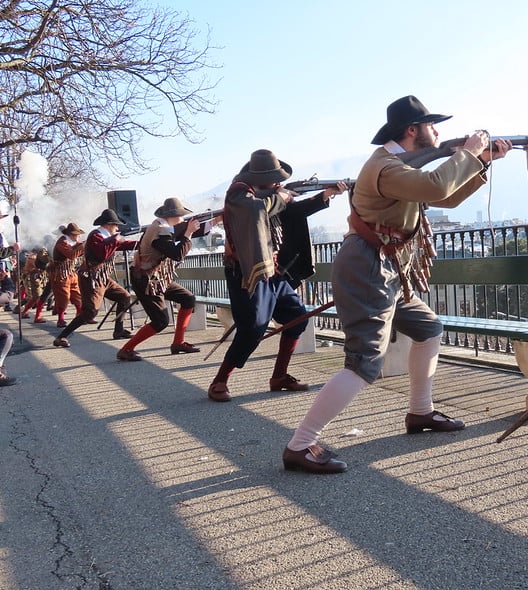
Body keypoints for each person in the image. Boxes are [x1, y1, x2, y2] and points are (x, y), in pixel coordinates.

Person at [282, 95, 512, 474]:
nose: (437, 133)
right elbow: (438, 187)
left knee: (428, 328)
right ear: (412, 130)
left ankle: (420, 412)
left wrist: (481, 160)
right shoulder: (386, 167)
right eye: (432, 126)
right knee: (364, 362)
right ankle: (300, 444)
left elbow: (446, 197)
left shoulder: (393, 164)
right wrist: (470, 153)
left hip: (384, 265)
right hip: (370, 265)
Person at [206, 150, 348, 402]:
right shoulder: (238, 192)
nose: (278, 183)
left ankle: (280, 376)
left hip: (271, 269)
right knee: (253, 328)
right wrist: (280, 197)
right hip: (246, 271)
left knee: (297, 316)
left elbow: (290, 212)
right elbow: (256, 211)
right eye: (274, 179)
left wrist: (324, 196)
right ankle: (220, 381)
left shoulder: (268, 195)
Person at [116, 197, 202, 361]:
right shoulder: (160, 230)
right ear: (174, 215)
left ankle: (178, 342)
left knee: (188, 299)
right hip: (147, 280)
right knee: (160, 321)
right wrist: (189, 233)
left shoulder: (161, 226)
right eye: (181, 215)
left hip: (156, 278)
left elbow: (173, 242)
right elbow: (177, 254)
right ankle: (126, 349)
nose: (183, 218)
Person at [53, 208, 137, 348]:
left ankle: (119, 330)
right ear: (109, 224)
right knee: (90, 312)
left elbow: (123, 245)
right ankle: (61, 337)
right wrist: (116, 240)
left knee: (124, 296)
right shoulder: (95, 236)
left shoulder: (106, 237)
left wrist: (144, 243)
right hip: (91, 278)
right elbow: (102, 254)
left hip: (101, 277)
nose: (117, 228)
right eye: (116, 225)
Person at [49, 222, 85, 328]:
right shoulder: (62, 242)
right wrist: (82, 246)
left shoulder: (71, 243)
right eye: (76, 234)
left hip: (70, 272)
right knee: (63, 297)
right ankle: (60, 319)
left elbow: (78, 252)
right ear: (71, 234)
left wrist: (83, 246)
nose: (78, 236)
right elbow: (72, 255)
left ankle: (80, 315)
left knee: (77, 295)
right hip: (60, 274)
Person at [19, 248, 50, 323]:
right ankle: (36, 316)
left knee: (36, 297)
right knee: (38, 296)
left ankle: (24, 312)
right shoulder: (32, 258)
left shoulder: (35, 257)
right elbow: (43, 264)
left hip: (40, 277)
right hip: (34, 277)